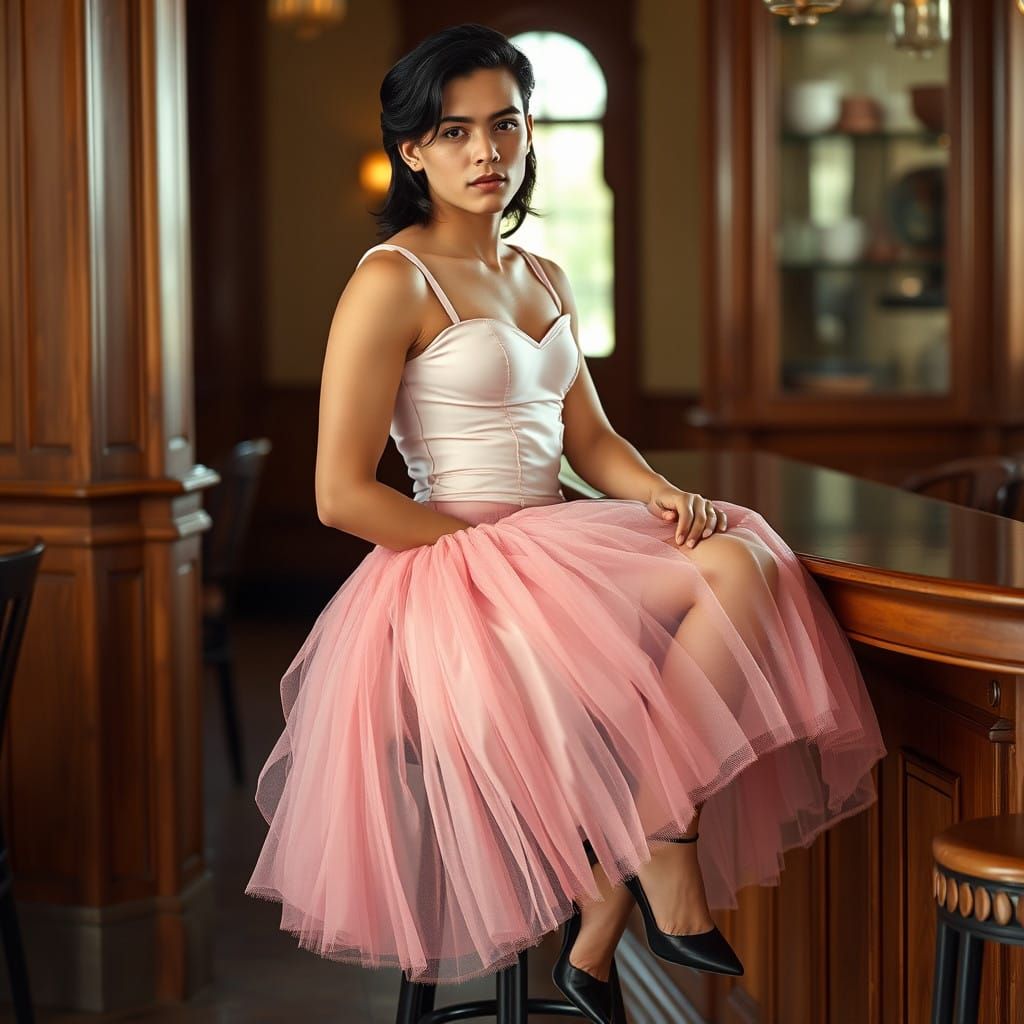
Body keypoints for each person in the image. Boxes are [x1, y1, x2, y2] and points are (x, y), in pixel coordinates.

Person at [244, 22, 886, 1024]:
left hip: (550, 538)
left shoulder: (540, 273)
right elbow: (339, 495)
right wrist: (491, 556)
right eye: (454, 133)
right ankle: (629, 886)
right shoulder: (389, 279)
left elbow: (590, 439)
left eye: (504, 125)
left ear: (531, 132)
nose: (486, 152)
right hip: (445, 565)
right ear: (411, 149)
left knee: (740, 552)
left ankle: (640, 857)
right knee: (705, 588)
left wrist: (658, 493)